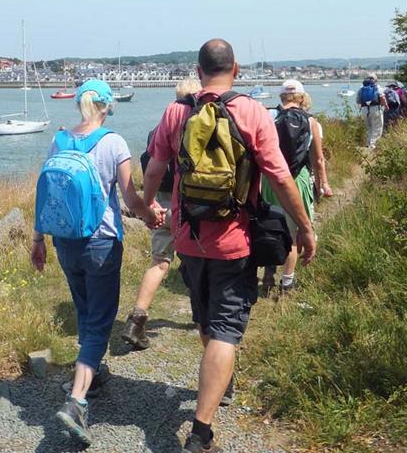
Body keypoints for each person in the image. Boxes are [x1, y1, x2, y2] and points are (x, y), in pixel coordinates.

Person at [144, 40, 316, 453]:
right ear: (234, 69)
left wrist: (148, 203)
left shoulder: (176, 111)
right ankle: (200, 433)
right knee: (225, 331)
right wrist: (305, 227)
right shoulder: (252, 111)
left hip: (189, 237)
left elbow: (155, 165)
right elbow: (279, 176)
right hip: (235, 241)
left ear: (198, 70)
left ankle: (221, 377)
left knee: (206, 321)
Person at [30, 80, 163, 446]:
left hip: (65, 241)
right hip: (101, 242)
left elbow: (45, 195)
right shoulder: (114, 142)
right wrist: (151, 215)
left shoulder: (59, 140)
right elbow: (130, 197)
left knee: (86, 311)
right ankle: (76, 402)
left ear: (79, 105)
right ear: (107, 106)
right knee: (100, 321)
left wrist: (38, 239)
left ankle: (92, 370)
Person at [121, 77, 201, 351]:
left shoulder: (159, 128)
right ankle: (202, 318)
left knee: (159, 262)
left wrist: (149, 206)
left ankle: (136, 319)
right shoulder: (202, 127)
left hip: (159, 205)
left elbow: (152, 168)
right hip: (188, 205)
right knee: (196, 261)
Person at [262, 80, 331, 295]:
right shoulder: (312, 123)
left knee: (270, 227)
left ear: (281, 97)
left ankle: (267, 275)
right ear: (302, 97)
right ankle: (287, 283)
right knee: (292, 234)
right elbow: (318, 160)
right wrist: (323, 185)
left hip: (270, 178)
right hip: (297, 179)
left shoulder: (268, 116)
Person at [356, 73, 387, 148]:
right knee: (377, 127)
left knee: (368, 127)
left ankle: (368, 143)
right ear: (376, 80)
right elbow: (382, 98)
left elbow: (358, 101)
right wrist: (385, 105)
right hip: (376, 108)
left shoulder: (361, 89)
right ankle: (373, 145)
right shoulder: (377, 87)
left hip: (364, 109)